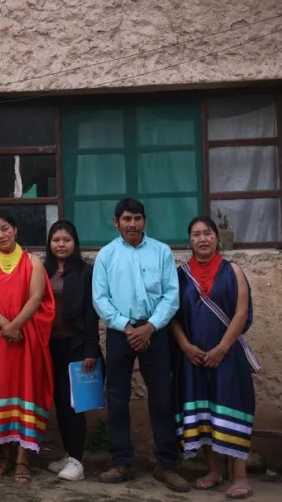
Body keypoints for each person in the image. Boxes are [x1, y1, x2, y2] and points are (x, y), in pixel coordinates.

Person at [92, 198, 189, 492]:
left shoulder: (161, 252)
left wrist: (149, 327)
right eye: (126, 219)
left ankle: (167, 464)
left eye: (137, 218)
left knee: (161, 398)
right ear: (116, 222)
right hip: (121, 332)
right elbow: (100, 298)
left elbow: (171, 295)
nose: (132, 224)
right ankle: (122, 461)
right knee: (117, 398)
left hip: (155, 332)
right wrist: (127, 327)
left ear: (144, 221)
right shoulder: (106, 256)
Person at [171, 216, 255, 500]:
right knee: (202, 412)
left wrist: (221, 348)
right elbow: (173, 318)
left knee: (232, 408)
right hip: (194, 358)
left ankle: (240, 475)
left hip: (227, 355)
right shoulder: (181, 275)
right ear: (190, 241)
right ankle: (214, 470)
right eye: (196, 235)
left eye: (207, 233)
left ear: (217, 237)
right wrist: (185, 347)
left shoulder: (233, 271)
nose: (202, 239)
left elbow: (241, 313)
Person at [0, 210, 55, 485]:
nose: (0, 235)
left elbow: (37, 296)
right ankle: (4, 455)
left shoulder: (33, 262)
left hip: (24, 337)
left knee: (23, 391)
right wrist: (5, 326)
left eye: (5, 229)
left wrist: (16, 325)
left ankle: (22, 459)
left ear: (15, 230)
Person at [43, 220, 100, 482]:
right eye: (56, 240)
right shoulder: (43, 270)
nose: (61, 244)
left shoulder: (86, 272)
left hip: (76, 346)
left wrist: (91, 348)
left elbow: (91, 314)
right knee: (60, 403)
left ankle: (77, 461)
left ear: (74, 243)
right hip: (49, 345)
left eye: (66, 240)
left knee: (75, 404)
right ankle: (68, 454)